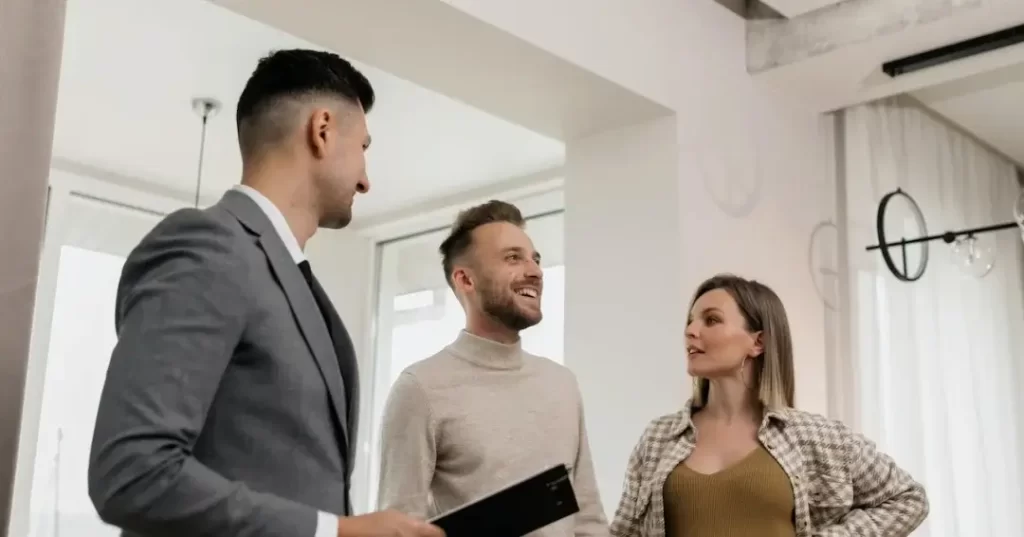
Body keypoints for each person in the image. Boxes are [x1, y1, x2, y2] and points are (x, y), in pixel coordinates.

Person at [87, 48, 444, 537]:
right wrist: (336, 532)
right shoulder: (209, 246)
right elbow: (132, 472)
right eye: (363, 148)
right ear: (322, 130)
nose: (366, 179)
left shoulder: (286, 274)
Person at [609, 274, 929, 537]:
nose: (690, 331)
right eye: (691, 321)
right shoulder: (657, 439)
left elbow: (907, 498)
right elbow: (623, 533)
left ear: (757, 342)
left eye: (711, 320)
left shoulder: (813, 436)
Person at [376, 200, 607, 537]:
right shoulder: (420, 389)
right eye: (513, 258)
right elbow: (397, 529)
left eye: (536, 259)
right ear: (465, 280)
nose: (534, 271)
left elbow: (589, 520)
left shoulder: (562, 384)